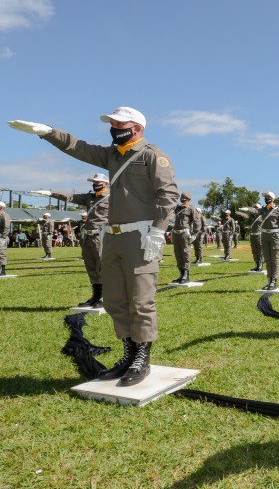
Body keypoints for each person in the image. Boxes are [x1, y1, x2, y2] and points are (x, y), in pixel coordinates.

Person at [9, 106, 179, 386]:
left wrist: (158, 231)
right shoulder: (112, 155)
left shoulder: (152, 155)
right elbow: (79, 148)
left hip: (141, 236)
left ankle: (142, 357)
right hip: (112, 237)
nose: (113, 128)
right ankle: (129, 352)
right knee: (114, 299)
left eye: (118, 123)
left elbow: (168, 194)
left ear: (136, 127)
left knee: (141, 299)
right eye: (112, 123)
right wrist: (49, 133)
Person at [50, 173, 110, 306]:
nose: (95, 184)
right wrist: (51, 193)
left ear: (106, 183)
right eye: (93, 182)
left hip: (102, 235)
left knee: (103, 265)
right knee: (91, 266)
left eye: (98, 182)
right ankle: (97, 295)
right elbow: (71, 197)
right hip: (88, 236)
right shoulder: (89, 197)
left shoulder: (113, 197)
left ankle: (106, 297)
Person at [258, 191, 279, 290]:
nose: (266, 198)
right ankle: (269, 280)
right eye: (265, 197)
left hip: (275, 236)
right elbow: (254, 211)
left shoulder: (278, 210)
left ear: (273, 198)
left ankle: (274, 280)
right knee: (267, 260)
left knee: (275, 260)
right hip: (265, 236)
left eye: (268, 197)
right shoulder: (263, 210)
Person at [171, 192, 201, 283]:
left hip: (184, 233)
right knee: (178, 254)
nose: (182, 198)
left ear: (188, 199)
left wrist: (194, 234)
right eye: (181, 197)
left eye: (184, 197)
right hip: (176, 233)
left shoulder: (191, 209)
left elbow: (197, 222)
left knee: (185, 253)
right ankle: (181, 274)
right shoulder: (177, 208)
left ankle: (186, 275)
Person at [238, 202, 266, 272]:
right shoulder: (252, 217)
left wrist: (247, 208)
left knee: (260, 251)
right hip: (252, 235)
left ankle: (260, 265)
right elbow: (246, 216)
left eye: (256, 208)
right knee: (254, 251)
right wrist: (240, 213)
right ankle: (256, 265)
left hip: (259, 235)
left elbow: (252, 210)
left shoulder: (262, 216)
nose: (254, 209)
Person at [0, 201, 10, 276]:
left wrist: (3, 237)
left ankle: (2, 271)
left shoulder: (4, 215)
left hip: (1, 237)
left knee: (1, 254)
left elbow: (6, 227)